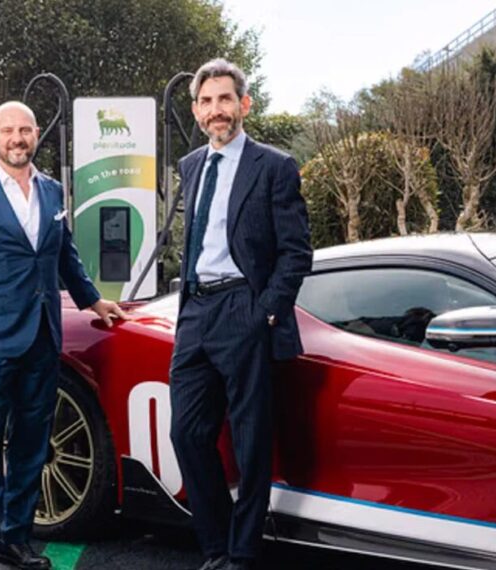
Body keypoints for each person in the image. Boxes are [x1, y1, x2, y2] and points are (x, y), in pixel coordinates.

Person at [0, 101, 125, 570]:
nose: (17, 138)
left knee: (32, 445)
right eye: (7, 131)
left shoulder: (52, 191)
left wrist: (93, 301)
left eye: (24, 130)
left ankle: (16, 540)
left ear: (36, 133)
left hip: (43, 340)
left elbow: (65, 255)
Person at [169, 59, 313, 570]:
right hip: (196, 311)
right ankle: (216, 546)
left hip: (243, 310)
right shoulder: (191, 165)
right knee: (186, 433)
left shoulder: (274, 166)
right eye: (207, 101)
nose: (217, 110)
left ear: (244, 104)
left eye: (225, 99)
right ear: (196, 110)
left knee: (251, 442)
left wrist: (265, 313)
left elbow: (296, 251)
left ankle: (243, 554)